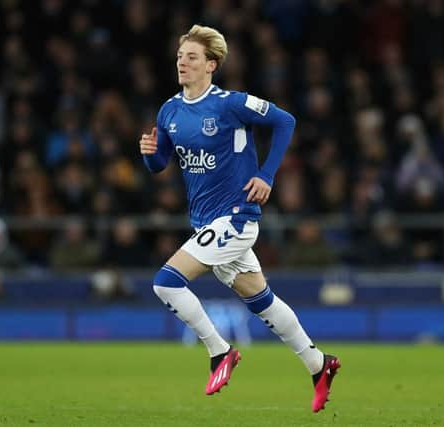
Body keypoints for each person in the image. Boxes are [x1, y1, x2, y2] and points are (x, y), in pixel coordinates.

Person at [139, 24, 340, 413]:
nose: (182, 62)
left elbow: (285, 121)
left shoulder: (230, 104)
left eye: (192, 57)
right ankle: (320, 365)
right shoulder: (170, 110)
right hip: (205, 222)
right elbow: (160, 164)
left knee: (165, 283)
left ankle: (220, 352)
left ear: (211, 64)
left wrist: (265, 175)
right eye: (180, 56)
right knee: (261, 300)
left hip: (235, 218)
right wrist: (149, 153)